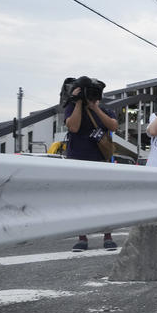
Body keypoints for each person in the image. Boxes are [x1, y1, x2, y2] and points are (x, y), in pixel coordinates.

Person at [63, 76, 118, 251]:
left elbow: (113, 126)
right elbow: (73, 127)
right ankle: (82, 237)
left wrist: (95, 107)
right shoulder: (71, 107)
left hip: (100, 159)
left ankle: (107, 235)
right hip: (77, 159)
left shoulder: (105, 110)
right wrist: (78, 103)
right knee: (79, 200)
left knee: (104, 200)